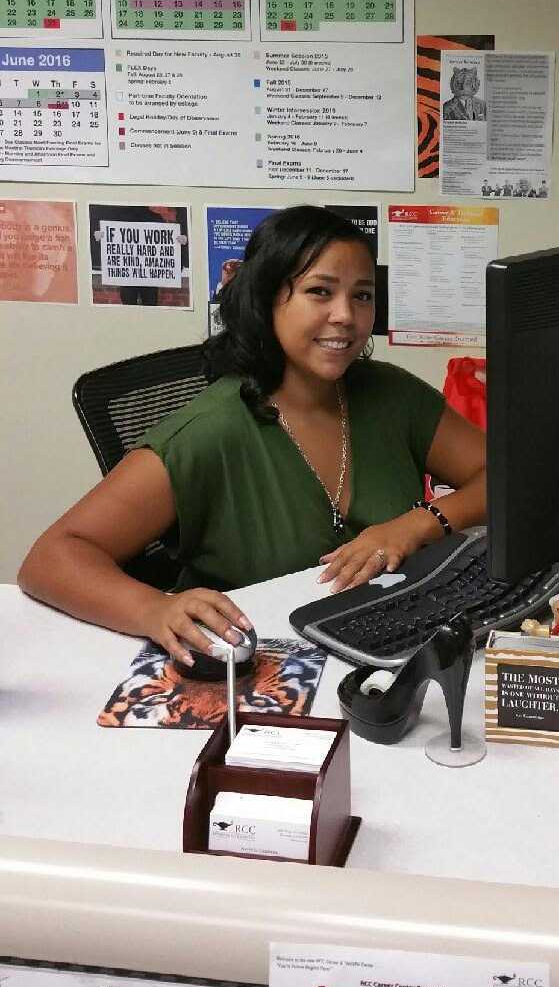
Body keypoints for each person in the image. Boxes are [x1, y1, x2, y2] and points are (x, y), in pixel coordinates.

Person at [18, 206, 486, 668]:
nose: (346, 315)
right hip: (268, 668)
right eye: (319, 291)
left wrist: (421, 522)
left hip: (393, 643)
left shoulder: (391, 393)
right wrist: (152, 609)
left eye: (362, 296)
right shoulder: (208, 432)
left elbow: (508, 475)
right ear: (265, 301)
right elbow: (51, 558)